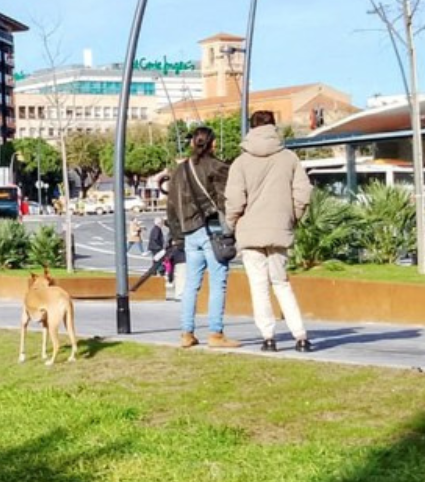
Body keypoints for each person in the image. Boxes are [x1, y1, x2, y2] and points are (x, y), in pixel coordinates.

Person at [225, 110, 313, 353]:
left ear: (251, 128)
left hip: (249, 231)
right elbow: (303, 193)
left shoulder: (240, 162)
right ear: (274, 127)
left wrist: (232, 224)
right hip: (279, 229)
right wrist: (292, 217)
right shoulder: (289, 158)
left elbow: (234, 200)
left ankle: (268, 337)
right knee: (282, 283)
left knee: (259, 286)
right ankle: (301, 335)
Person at [165, 126, 239, 349]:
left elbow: (171, 206)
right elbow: (227, 200)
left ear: (192, 144)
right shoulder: (218, 168)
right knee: (218, 283)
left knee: (191, 285)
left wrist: (178, 235)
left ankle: (186, 333)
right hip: (211, 230)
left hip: (189, 234)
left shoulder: (179, 171)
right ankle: (215, 334)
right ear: (213, 144)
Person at [132, 217, 171, 293]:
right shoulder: (157, 229)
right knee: (159, 261)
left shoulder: (155, 228)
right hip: (156, 247)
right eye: (162, 223)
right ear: (159, 223)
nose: (162, 224)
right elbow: (156, 238)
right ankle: (160, 272)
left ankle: (156, 272)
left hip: (154, 247)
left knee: (157, 261)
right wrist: (160, 246)